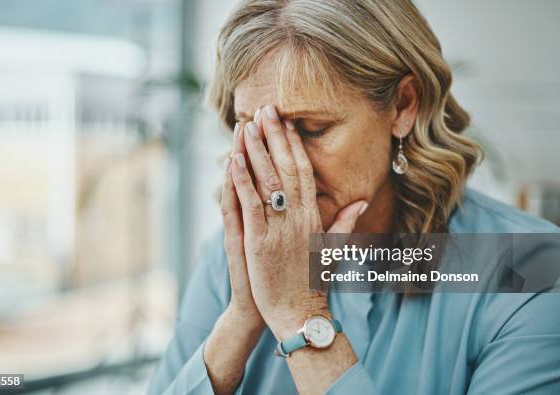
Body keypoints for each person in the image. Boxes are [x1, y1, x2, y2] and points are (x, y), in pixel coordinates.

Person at [149, 1, 560, 394]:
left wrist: (301, 314)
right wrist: (240, 321)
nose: (282, 168)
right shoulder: (230, 262)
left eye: (312, 129)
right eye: (256, 134)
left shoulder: (529, 268)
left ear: (403, 106)